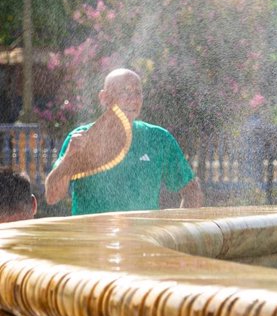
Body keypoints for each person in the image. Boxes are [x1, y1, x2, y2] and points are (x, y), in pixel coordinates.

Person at [45, 68, 203, 215]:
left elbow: (191, 191)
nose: (133, 100)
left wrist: (178, 233)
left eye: (138, 93)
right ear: (104, 98)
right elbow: (52, 196)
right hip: (92, 242)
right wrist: (69, 159)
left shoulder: (159, 139)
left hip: (142, 241)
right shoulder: (82, 139)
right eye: (125, 92)